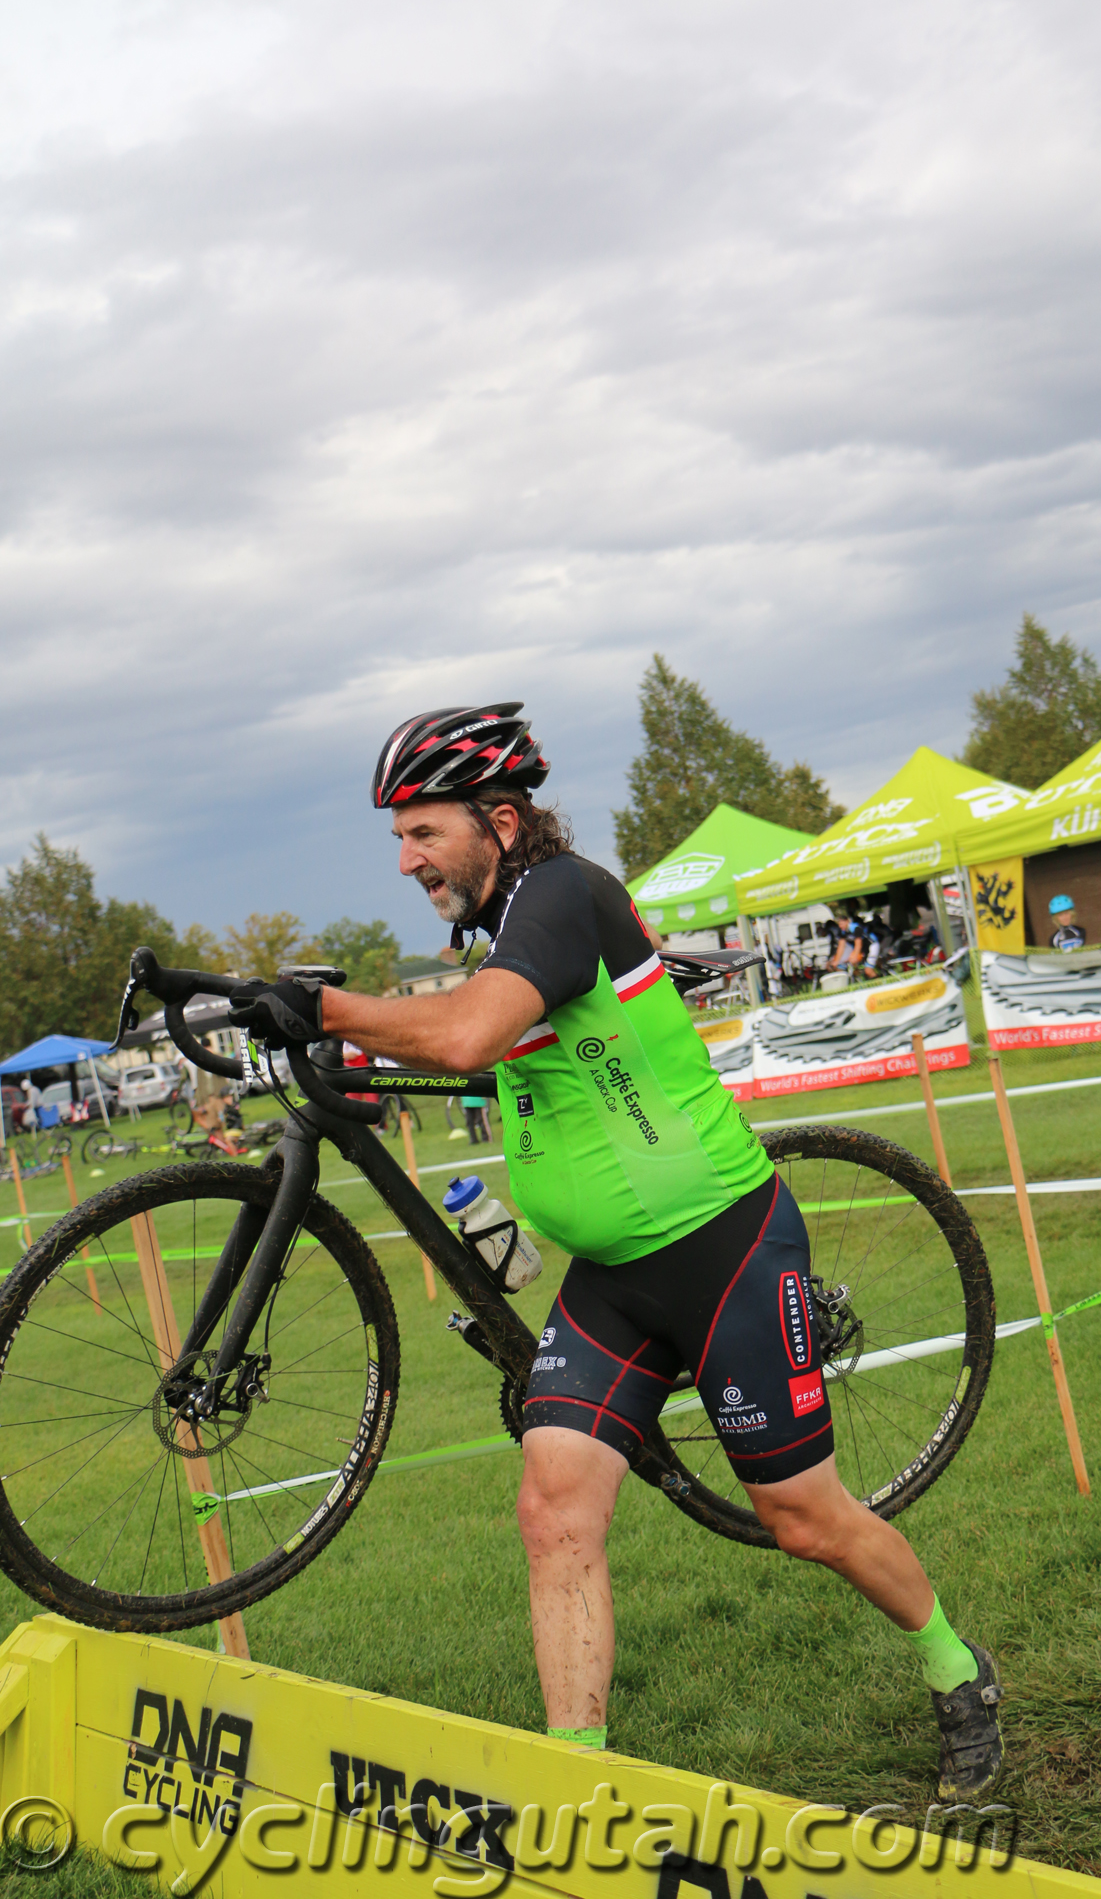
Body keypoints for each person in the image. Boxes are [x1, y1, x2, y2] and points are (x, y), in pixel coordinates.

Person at [229, 702, 1004, 1800]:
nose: (404, 860)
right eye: (397, 840)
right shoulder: (502, 933)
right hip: (611, 1285)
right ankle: (575, 1783)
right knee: (554, 1510)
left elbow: (466, 1033)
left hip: (720, 1247)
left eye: (422, 834)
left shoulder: (560, 893)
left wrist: (320, 1004)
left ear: (498, 820)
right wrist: (326, 1044)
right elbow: (488, 1058)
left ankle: (957, 1670)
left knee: (802, 1519)